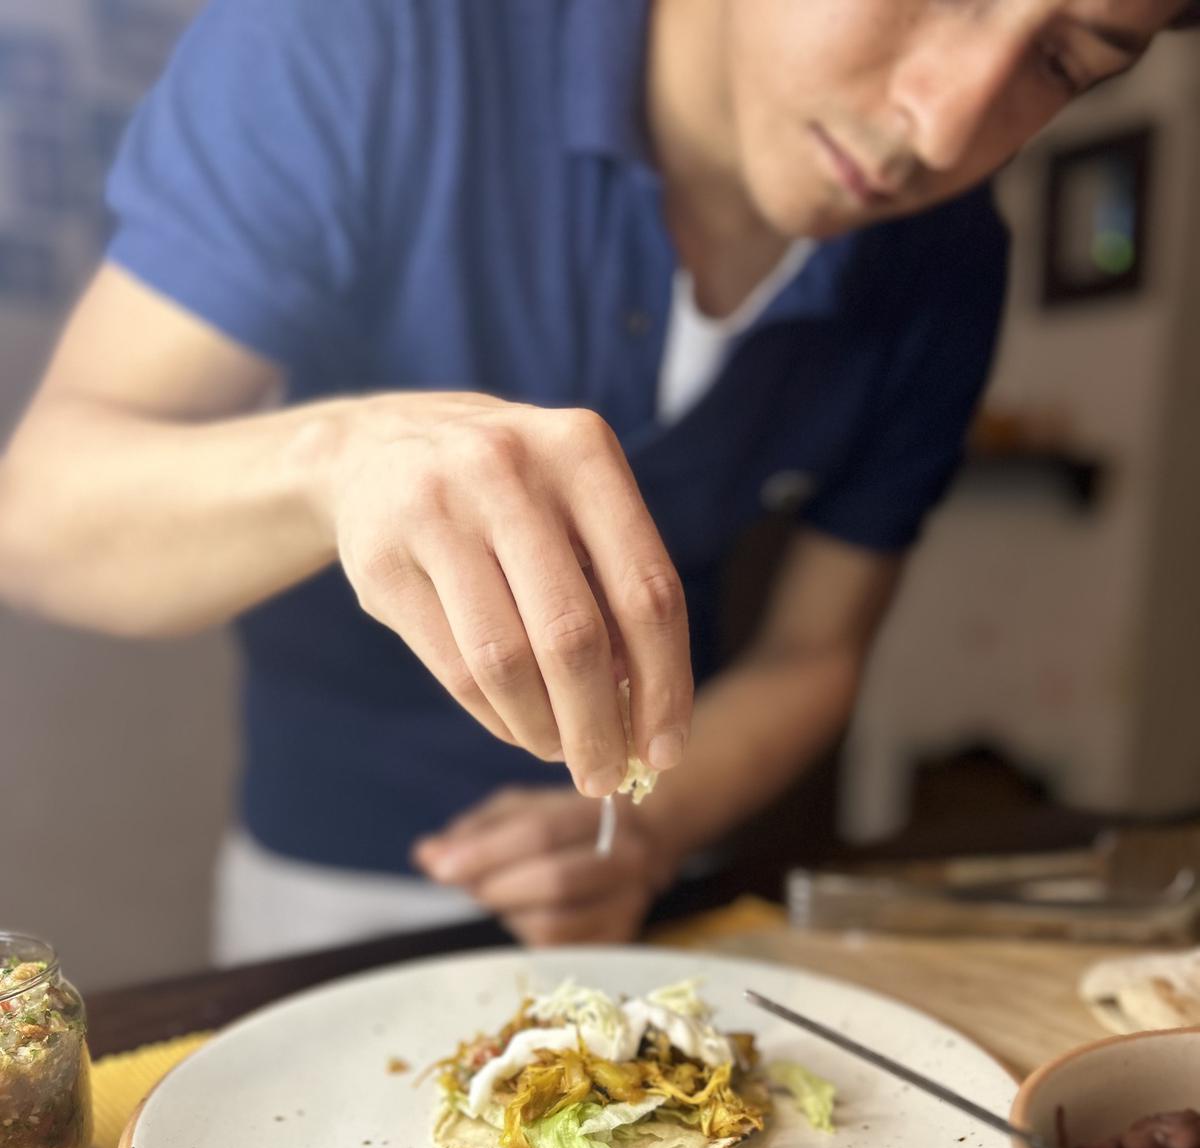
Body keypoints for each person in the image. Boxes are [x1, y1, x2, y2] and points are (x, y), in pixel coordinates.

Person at [1, 0, 1194, 958]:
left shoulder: (949, 265)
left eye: (1064, 59)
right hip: (335, 892)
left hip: (657, 886)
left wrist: (648, 826)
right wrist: (337, 460)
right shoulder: (360, 37)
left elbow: (816, 649)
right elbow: (39, 511)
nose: (943, 126)